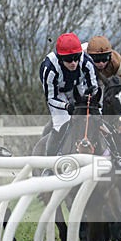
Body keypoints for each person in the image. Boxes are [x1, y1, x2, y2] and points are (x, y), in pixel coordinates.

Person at [39, 32, 101, 163]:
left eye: (76, 57)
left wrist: (91, 99)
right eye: (68, 59)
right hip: (57, 93)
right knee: (61, 124)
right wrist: (66, 106)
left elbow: (94, 87)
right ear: (61, 58)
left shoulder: (87, 62)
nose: (73, 62)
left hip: (77, 87)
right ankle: (49, 164)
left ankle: (114, 155)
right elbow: (51, 98)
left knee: (95, 118)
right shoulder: (50, 69)